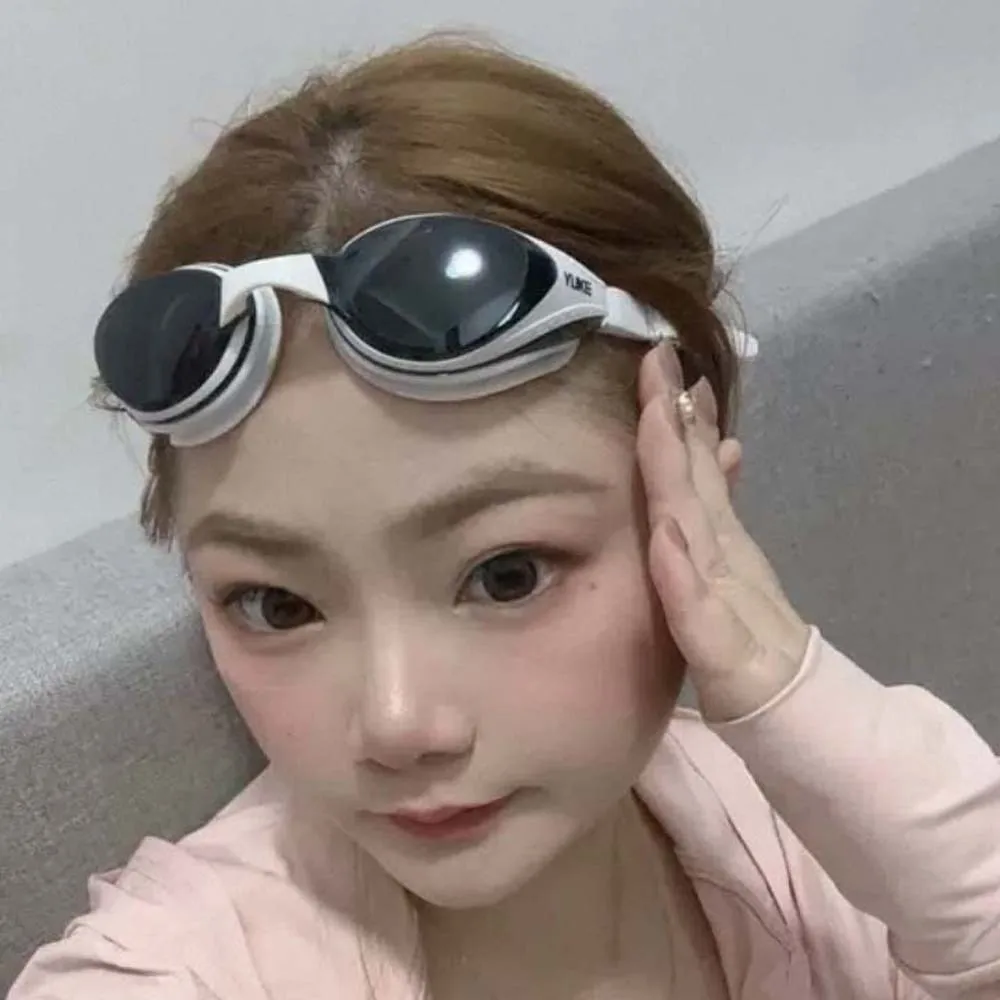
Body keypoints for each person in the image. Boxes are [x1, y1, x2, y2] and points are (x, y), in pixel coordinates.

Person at [9, 33, 1000, 1000]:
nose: (399, 726)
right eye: (275, 605)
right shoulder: (172, 973)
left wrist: (807, 706)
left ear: (693, 501)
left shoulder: (810, 841)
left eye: (506, 574)